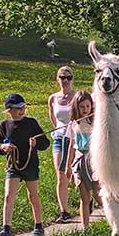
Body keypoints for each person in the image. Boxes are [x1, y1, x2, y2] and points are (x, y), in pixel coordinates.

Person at [0, 93, 50, 236]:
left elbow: (45, 143)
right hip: (13, 166)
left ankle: (38, 227)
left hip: (30, 165)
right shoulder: (4, 125)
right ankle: (6, 230)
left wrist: (36, 143)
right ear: (9, 110)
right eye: (18, 108)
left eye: (23, 107)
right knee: (8, 196)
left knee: (33, 195)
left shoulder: (31, 123)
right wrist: (3, 147)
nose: (22, 110)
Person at [47, 67, 76, 224]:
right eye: (62, 77)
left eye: (68, 77)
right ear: (57, 79)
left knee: (76, 174)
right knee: (61, 174)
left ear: (72, 79)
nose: (65, 80)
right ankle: (64, 211)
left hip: (75, 140)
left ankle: (87, 199)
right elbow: (52, 117)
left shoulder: (77, 97)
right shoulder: (53, 98)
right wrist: (58, 130)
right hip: (59, 139)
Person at [67, 91, 97, 231]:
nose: (85, 110)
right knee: (84, 196)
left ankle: (114, 221)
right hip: (79, 160)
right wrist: (68, 166)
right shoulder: (73, 124)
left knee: (98, 194)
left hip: (94, 160)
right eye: (82, 107)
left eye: (87, 106)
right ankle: (85, 227)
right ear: (76, 108)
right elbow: (71, 146)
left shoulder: (96, 122)